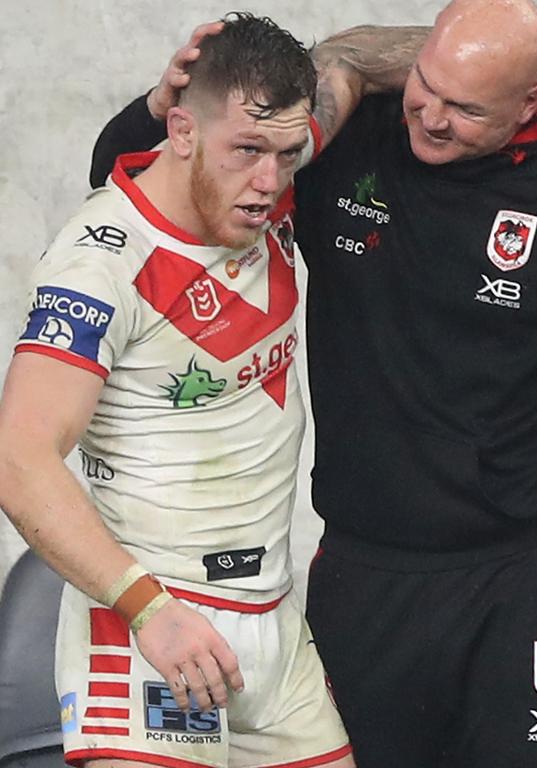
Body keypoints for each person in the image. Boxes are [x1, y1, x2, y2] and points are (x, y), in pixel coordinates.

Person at [88, 1, 537, 767]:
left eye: (467, 108)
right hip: (364, 578)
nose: (432, 118)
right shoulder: (346, 145)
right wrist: (155, 104)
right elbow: (131, 181)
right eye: (424, 85)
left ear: (530, 102)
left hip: (527, 582)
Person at [0, 14, 357, 768]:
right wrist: (148, 612)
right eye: (248, 152)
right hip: (150, 629)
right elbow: (19, 455)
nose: (269, 182)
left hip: (272, 625)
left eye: (288, 156)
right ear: (183, 131)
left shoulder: (266, 178)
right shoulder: (101, 260)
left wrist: (533, 84)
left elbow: (356, 61)